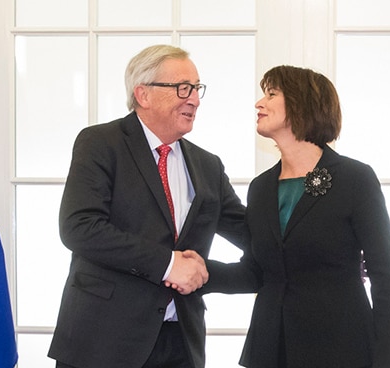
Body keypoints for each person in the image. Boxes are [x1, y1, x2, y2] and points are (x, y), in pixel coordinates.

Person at [48, 44, 246, 368]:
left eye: (197, 89)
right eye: (183, 88)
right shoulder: (100, 143)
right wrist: (169, 265)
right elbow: (79, 227)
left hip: (180, 344)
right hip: (102, 343)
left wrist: (337, 248)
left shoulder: (209, 165)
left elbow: (253, 233)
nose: (193, 98)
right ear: (143, 94)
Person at [204, 65, 390, 368]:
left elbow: (385, 277)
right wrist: (198, 271)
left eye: (271, 94)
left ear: (302, 104)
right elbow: (258, 271)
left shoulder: (355, 179)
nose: (259, 103)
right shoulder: (261, 188)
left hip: (341, 349)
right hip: (271, 351)